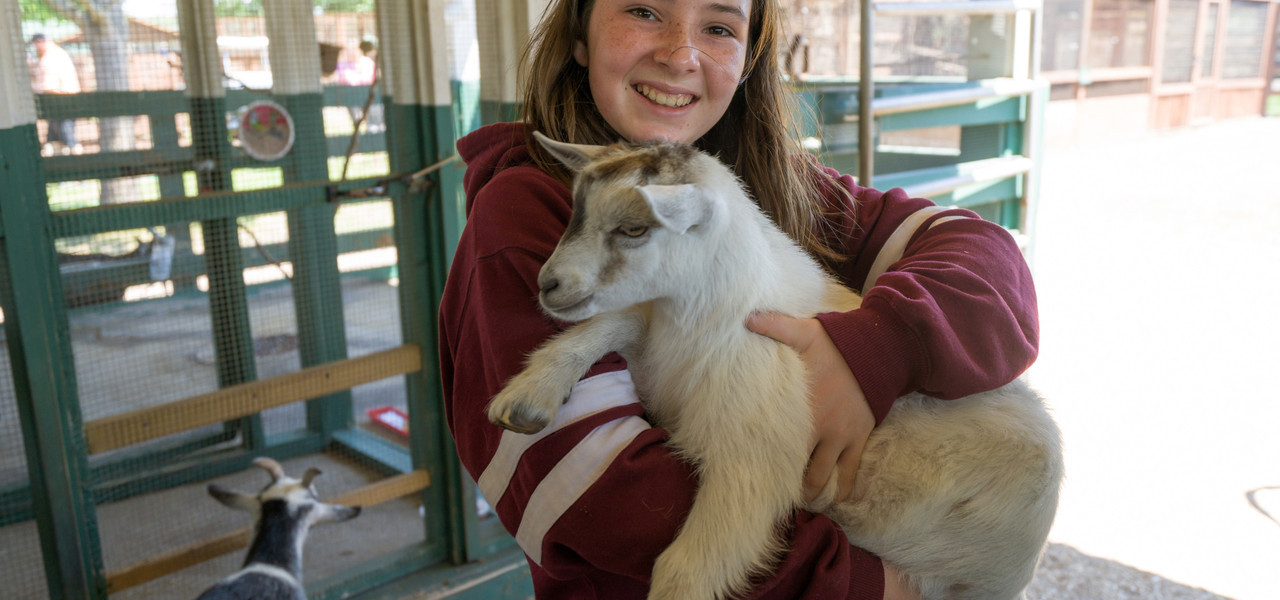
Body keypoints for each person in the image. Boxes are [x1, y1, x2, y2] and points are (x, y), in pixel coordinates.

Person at [438, 1, 1039, 599]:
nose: (680, 55)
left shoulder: (770, 185)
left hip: (939, 524)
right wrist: (868, 588)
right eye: (643, 11)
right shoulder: (525, 215)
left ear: (748, 58)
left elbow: (984, 256)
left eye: (719, 27)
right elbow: (598, 498)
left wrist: (874, 352)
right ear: (579, 34)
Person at [30, 33, 83, 155]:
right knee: (55, 129)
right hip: (62, 98)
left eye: (36, 44)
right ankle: (58, 153)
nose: (35, 48)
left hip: (61, 98)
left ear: (40, 42)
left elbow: (48, 85)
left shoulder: (50, 57)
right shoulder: (55, 53)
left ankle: (76, 153)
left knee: (65, 129)